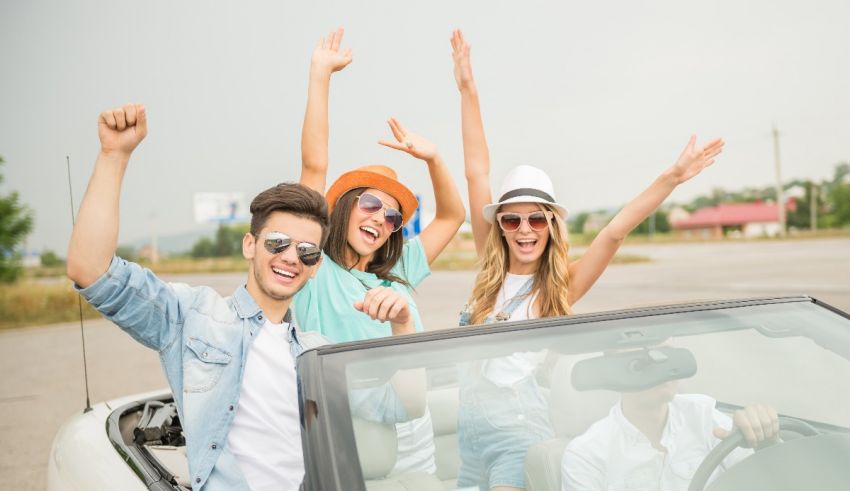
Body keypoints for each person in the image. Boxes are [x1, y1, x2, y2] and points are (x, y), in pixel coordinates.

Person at [67, 104, 422, 491]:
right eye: (278, 242)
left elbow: (405, 405)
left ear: (316, 266)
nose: (291, 257)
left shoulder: (316, 353)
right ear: (250, 245)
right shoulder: (195, 317)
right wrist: (113, 156)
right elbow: (92, 272)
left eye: (306, 251)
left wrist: (403, 325)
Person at [450, 29, 725, 490]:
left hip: (519, 436)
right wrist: (467, 89)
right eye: (512, 219)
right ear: (500, 226)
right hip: (469, 436)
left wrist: (673, 177)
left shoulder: (559, 287)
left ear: (551, 225)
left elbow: (614, 233)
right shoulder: (488, 271)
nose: (524, 229)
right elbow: (476, 171)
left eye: (536, 219)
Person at [294, 28, 466, 475]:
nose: (380, 219)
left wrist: (433, 160)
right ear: (344, 206)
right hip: (354, 437)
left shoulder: (398, 267)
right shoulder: (313, 269)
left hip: (416, 433)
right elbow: (313, 167)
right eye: (370, 204)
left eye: (392, 216)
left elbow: (452, 216)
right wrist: (320, 76)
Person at [561, 380, 780, 490]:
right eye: (645, 358)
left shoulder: (703, 414)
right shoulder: (586, 454)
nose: (661, 366)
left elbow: (765, 483)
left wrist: (766, 444)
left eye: (667, 354)